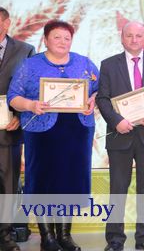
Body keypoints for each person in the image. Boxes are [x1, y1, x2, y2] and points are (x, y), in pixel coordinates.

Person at [7, 20, 98, 251]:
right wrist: (31, 105)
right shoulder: (30, 65)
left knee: (69, 181)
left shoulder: (84, 63)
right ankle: (47, 237)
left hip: (77, 131)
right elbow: (13, 97)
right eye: (57, 37)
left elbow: (100, 90)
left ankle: (64, 236)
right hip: (42, 133)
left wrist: (92, 100)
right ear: (45, 40)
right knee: (43, 181)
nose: (62, 42)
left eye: (67, 38)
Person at [96, 22, 144, 251]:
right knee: (117, 189)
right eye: (129, 35)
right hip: (120, 134)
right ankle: (115, 239)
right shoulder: (108, 64)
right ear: (122, 38)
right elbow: (102, 98)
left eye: (139, 35)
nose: (134, 39)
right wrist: (116, 121)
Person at [0, 7, 35, 251]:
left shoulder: (25, 50)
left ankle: (4, 235)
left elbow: (32, 88)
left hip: (9, 127)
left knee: (8, 185)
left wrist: (21, 116)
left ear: (6, 23)